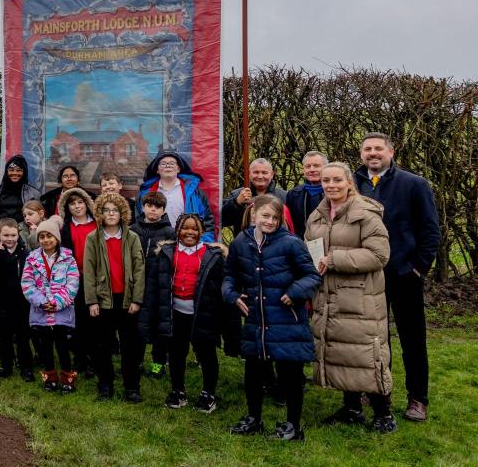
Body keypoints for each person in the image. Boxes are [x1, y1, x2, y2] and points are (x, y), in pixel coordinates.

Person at [354, 131, 440, 422]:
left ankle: (418, 398)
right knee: (373, 339)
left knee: (412, 339)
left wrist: (418, 268)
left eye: (379, 148)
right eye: (368, 149)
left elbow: (430, 232)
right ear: (361, 154)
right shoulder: (352, 184)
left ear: (391, 152)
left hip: (404, 275)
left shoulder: (414, 184)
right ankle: (377, 389)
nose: (373, 153)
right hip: (365, 277)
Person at [222, 194, 321, 441]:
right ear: (253, 213)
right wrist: (232, 296)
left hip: (287, 320)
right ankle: (254, 418)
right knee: (253, 372)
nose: (270, 221)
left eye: (275, 217)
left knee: (289, 374)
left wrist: (295, 292)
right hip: (256, 319)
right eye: (265, 216)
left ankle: (293, 425)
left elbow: (311, 275)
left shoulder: (291, 243)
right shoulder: (240, 243)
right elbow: (229, 276)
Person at [306, 162, 395, 433]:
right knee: (342, 352)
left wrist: (334, 259)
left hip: (361, 297)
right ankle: (352, 408)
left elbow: (379, 255)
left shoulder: (366, 214)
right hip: (329, 295)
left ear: (348, 183)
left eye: (336, 180)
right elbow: (310, 247)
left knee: (368, 353)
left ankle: (383, 414)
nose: (331, 185)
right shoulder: (317, 216)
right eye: (326, 180)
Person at [140, 213, 225, 413]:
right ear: (177, 230)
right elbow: (154, 284)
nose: (189, 232)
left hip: (202, 314)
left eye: (194, 229)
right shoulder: (167, 252)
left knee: (206, 354)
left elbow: (220, 287)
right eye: (185, 228)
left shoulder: (211, 255)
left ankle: (208, 393)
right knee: (177, 353)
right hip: (175, 313)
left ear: (201, 232)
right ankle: (178, 390)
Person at [84, 193, 146, 402]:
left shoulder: (132, 237)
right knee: (101, 346)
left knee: (131, 346)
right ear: (100, 214)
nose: (111, 214)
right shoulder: (93, 238)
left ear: (122, 213)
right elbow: (89, 271)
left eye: (115, 210)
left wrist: (137, 300)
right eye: (106, 210)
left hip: (127, 300)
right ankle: (105, 385)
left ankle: (131, 387)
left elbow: (139, 270)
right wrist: (92, 301)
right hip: (103, 301)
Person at [21, 216, 81, 393]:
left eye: (49, 236)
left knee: (63, 346)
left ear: (57, 238)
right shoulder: (32, 259)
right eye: (42, 237)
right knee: (45, 347)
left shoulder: (68, 258)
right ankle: (50, 379)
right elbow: (27, 283)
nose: (46, 240)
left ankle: (67, 378)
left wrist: (57, 303)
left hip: (62, 312)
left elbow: (73, 283)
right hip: (41, 312)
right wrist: (42, 302)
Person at [131, 190, 177, 379]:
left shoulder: (169, 232)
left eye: (157, 207)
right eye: (150, 206)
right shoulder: (133, 229)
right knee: (138, 327)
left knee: (160, 329)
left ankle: (158, 365)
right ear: (143, 207)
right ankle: (137, 361)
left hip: (160, 288)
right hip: (138, 286)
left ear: (163, 210)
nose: (153, 210)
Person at [0, 218, 34, 381]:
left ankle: (26, 368)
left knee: (22, 338)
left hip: (21, 303)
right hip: (0, 302)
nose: (10, 238)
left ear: (18, 234)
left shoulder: (24, 253)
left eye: (13, 235)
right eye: (6, 235)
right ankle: (6, 366)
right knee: (3, 338)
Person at [58, 187, 97, 376]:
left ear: (87, 204)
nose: (77, 206)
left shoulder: (98, 224)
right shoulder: (66, 228)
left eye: (80, 202)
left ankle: (94, 358)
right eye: (72, 204)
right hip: (76, 278)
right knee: (79, 320)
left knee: (95, 320)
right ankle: (80, 358)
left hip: (97, 279)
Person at [136, 151, 215, 243]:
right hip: (155, 244)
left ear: (178, 169)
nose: (168, 165)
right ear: (157, 170)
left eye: (172, 163)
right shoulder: (145, 193)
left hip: (188, 243)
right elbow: (139, 219)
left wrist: (204, 242)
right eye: (163, 163)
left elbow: (207, 219)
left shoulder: (195, 192)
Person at [222, 158, 288, 236]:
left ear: (271, 175)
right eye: (256, 172)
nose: (260, 176)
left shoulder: (285, 197)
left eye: (264, 172)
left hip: (277, 245)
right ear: (249, 174)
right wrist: (236, 203)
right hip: (245, 245)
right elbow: (222, 220)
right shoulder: (237, 195)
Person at [286, 151, 327, 238]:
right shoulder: (293, 195)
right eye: (308, 166)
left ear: (326, 167)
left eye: (316, 166)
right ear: (303, 170)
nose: (311, 170)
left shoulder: (335, 192)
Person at [0, 155, 42, 222]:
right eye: (11, 170)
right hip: (0, 230)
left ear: (24, 172)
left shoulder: (34, 194)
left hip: (24, 230)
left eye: (19, 170)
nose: (15, 173)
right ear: (6, 172)